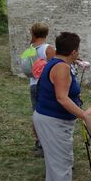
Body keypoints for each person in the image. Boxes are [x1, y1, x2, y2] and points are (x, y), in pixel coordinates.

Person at [33, 32, 91, 181]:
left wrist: (75, 63)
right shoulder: (61, 68)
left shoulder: (55, 61)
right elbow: (62, 98)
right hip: (53, 120)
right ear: (74, 51)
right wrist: (84, 115)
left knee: (53, 158)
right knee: (63, 160)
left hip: (48, 117)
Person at [28, 22, 55, 157]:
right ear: (46, 34)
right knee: (48, 114)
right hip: (44, 85)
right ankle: (47, 143)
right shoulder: (48, 49)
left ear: (33, 34)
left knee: (36, 114)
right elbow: (53, 68)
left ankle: (38, 143)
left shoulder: (30, 49)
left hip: (33, 84)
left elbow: (25, 67)